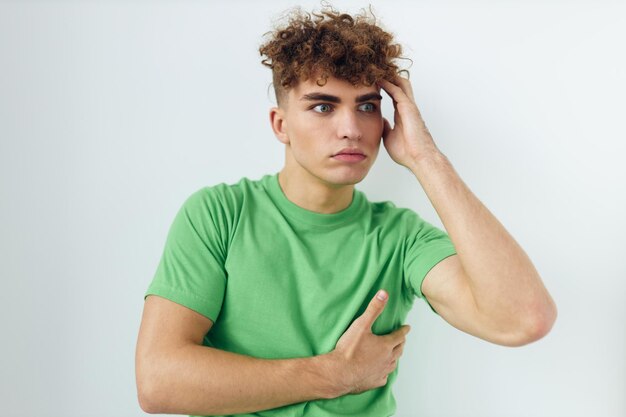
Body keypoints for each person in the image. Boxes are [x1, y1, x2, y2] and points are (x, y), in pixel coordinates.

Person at [135, 4, 557, 417]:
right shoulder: (219, 214)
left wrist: (426, 159)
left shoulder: (401, 237)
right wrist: (333, 375)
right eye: (323, 106)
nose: (351, 129)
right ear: (280, 124)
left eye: (367, 106)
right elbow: (158, 382)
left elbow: (524, 319)